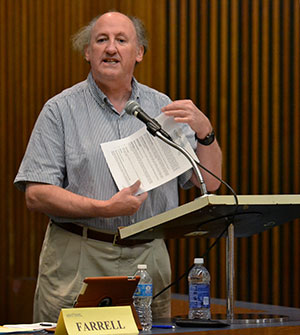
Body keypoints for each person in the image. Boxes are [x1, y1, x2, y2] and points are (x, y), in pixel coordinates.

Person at [14, 11, 222, 322]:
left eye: (121, 40)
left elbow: (210, 182)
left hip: (149, 257)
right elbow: (36, 194)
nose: (111, 48)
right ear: (88, 52)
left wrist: (206, 132)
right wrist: (105, 207)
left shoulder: (161, 106)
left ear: (139, 53)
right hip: (80, 253)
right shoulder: (60, 109)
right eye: (101, 40)